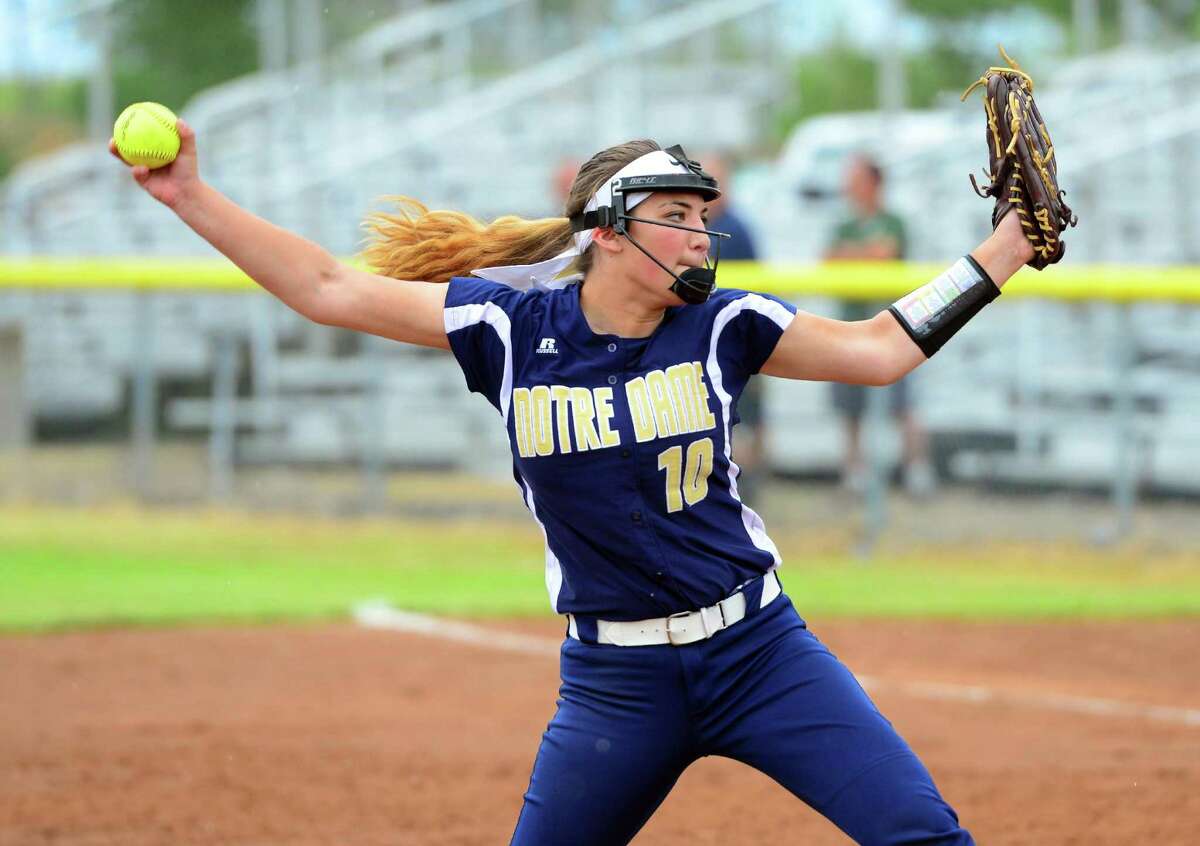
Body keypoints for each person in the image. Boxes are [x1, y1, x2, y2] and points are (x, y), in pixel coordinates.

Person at [112, 122, 1034, 845]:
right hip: (616, 684)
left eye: (702, 214)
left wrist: (1007, 246)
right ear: (609, 230)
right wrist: (189, 194)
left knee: (924, 835)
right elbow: (325, 286)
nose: (698, 231)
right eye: (675, 213)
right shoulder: (507, 328)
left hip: (761, 654)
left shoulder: (726, 322)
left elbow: (878, 351)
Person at [825, 154, 936, 497]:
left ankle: (916, 467)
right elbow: (830, 261)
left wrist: (852, 255)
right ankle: (854, 470)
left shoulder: (893, 221)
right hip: (851, 325)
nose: (847, 187)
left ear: (872, 183)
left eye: (854, 179)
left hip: (891, 330)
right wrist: (862, 254)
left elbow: (884, 255)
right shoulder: (843, 224)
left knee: (903, 404)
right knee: (851, 408)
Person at [699, 151, 767, 508]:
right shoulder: (692, 230)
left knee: (750, 413)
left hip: (736, 341)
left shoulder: (737, 229)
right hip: (699, 344)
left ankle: (749, 480)